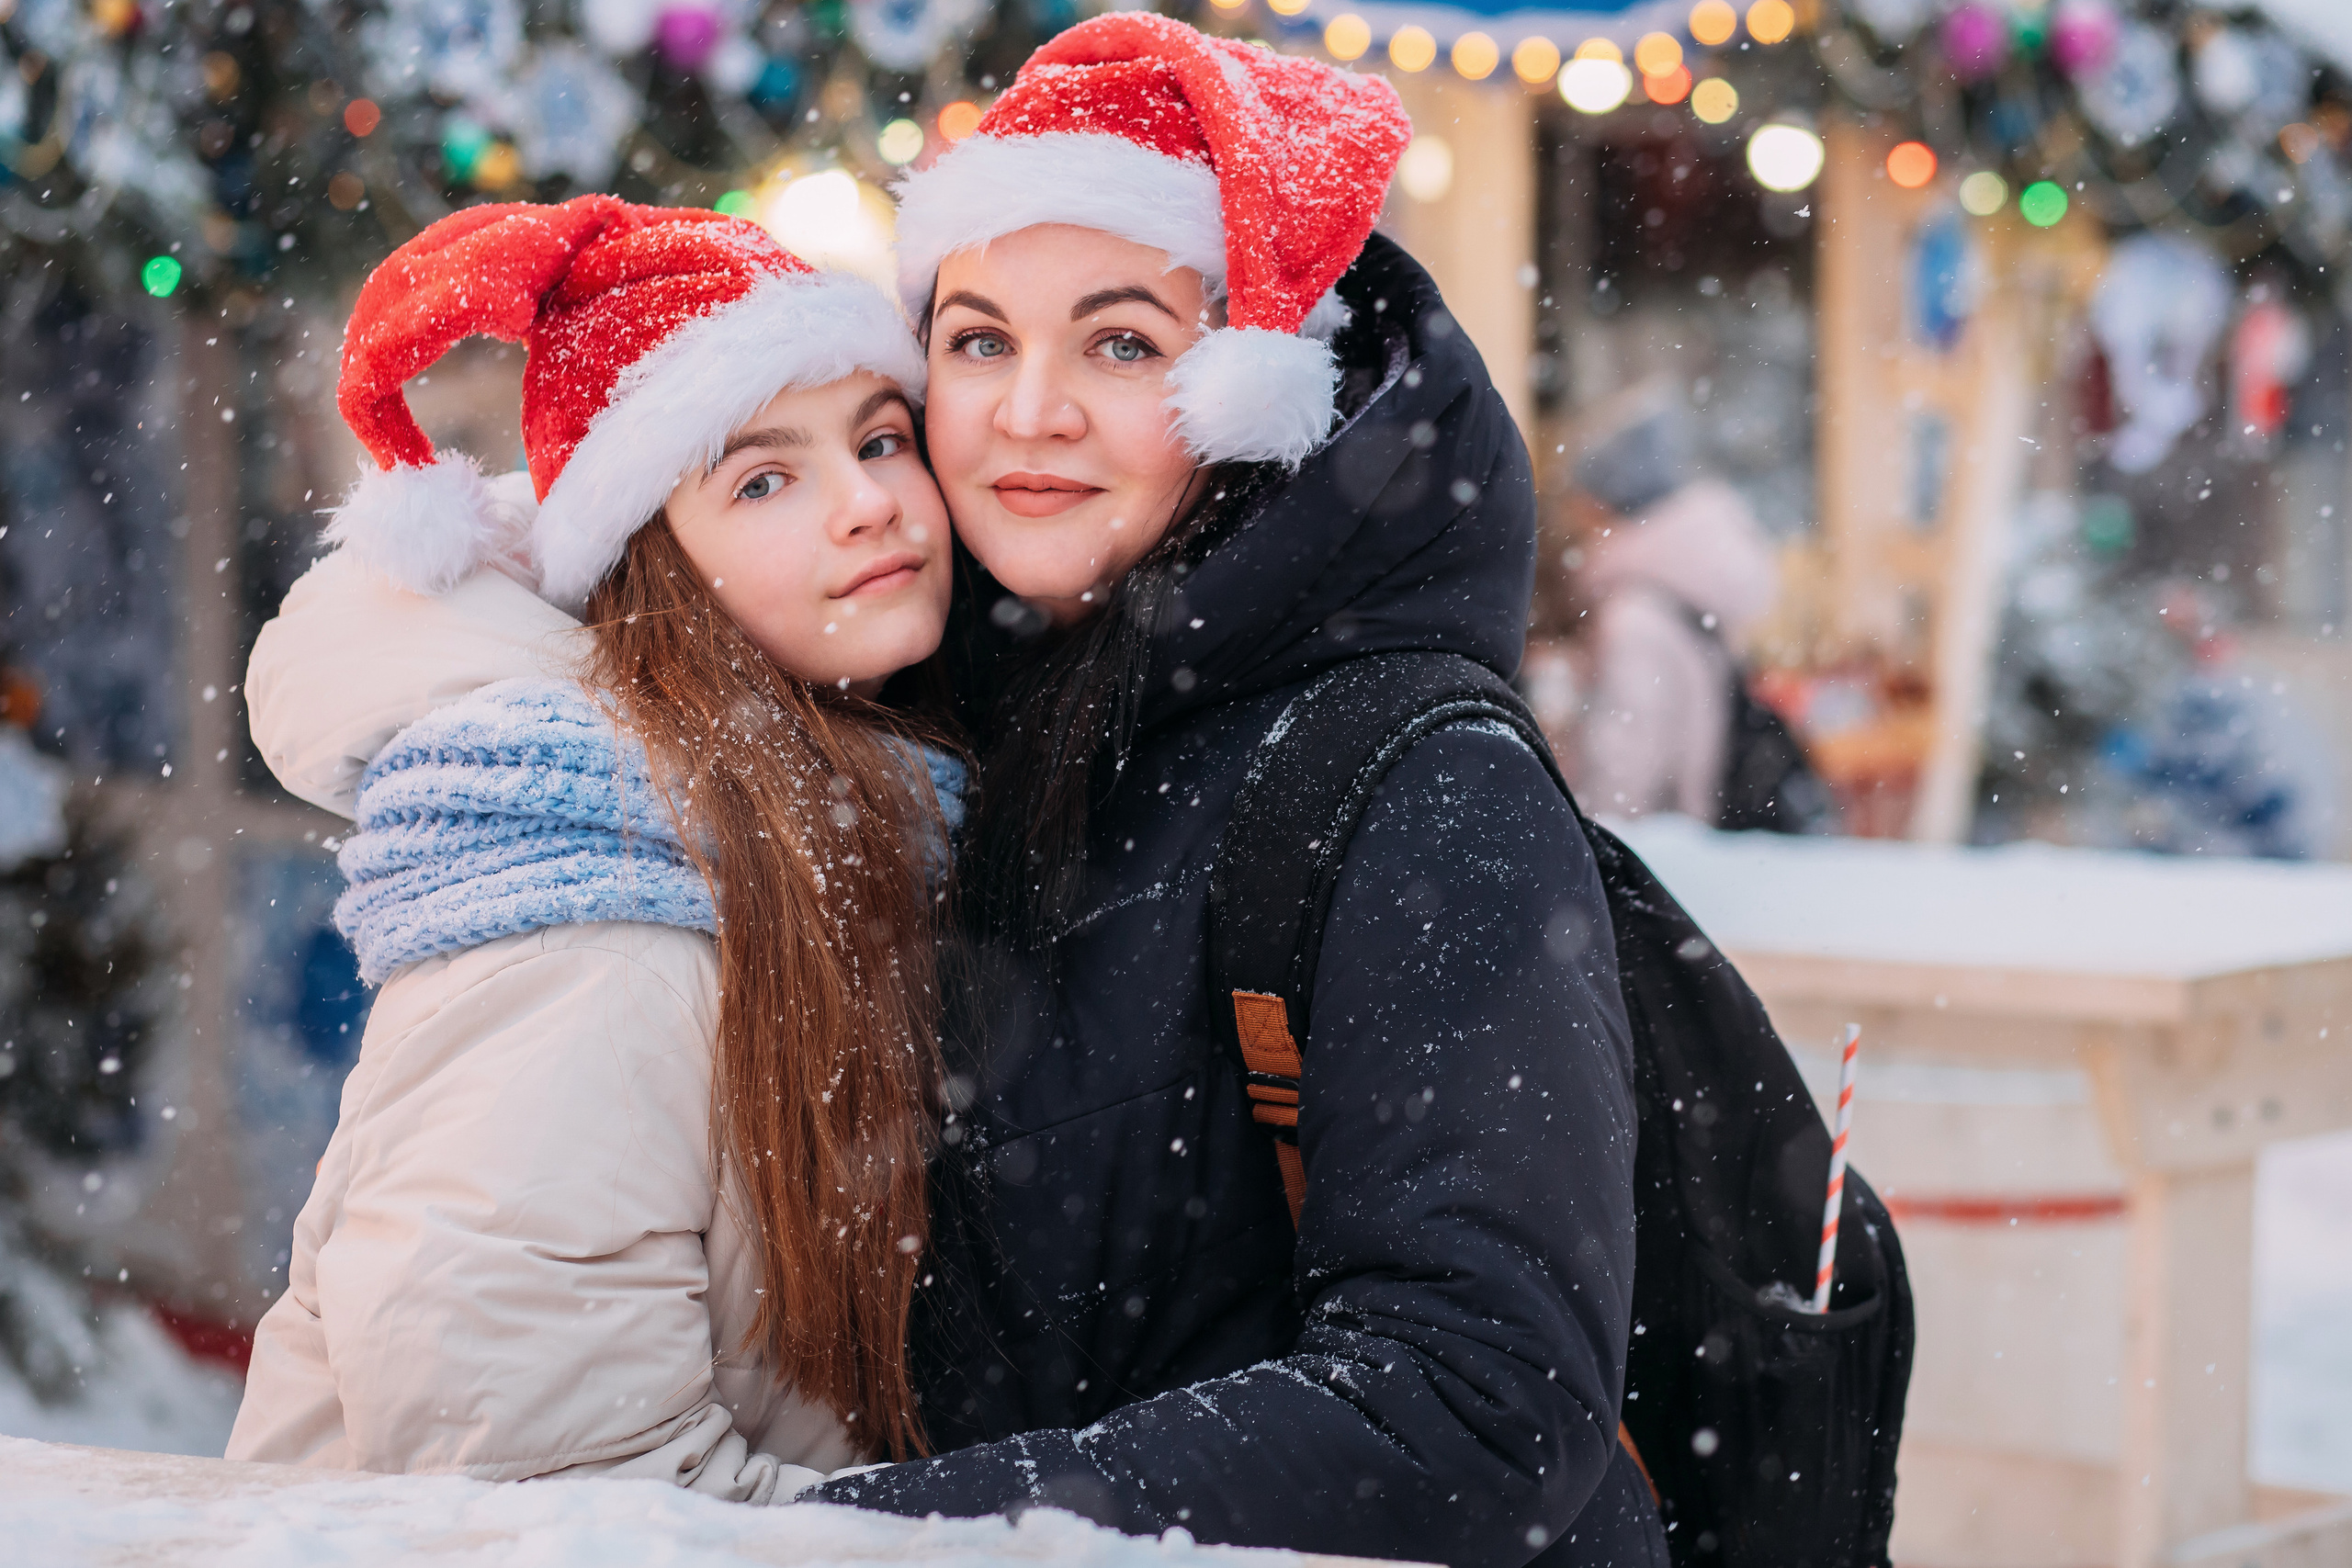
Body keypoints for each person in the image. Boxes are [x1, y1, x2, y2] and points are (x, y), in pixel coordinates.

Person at [808, 17, 1664, 1566]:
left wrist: (862, 1536)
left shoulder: (1415, 785)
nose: (1028, 411)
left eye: (1123, 342)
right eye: (979, 337)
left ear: (1262, 385)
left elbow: (1478, 1397)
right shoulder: (948, 725)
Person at [227, 197, 960, 1498]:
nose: (867, 502)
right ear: (653, 566)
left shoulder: (832, 819)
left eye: (882, 438)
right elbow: (540, 1495)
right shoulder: (594, 912)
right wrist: (987, 1529)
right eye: (762, 476)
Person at [1567, 391, 1782, 824]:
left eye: (1586, 504)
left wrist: (1590, 844)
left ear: (1610, 503)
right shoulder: (1686, 595)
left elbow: (1623, 771)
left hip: (1655, 849)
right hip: (1691, 831)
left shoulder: (1636, 617)